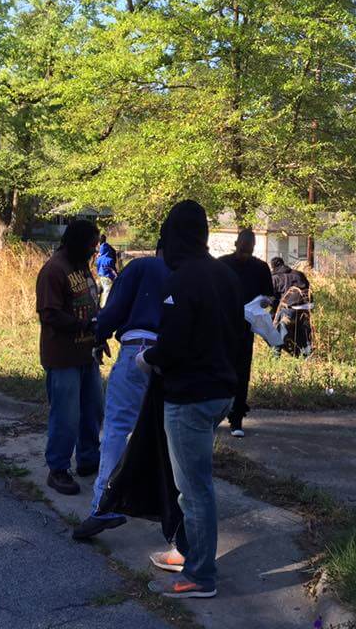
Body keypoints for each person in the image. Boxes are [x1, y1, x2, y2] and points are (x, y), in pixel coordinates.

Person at [137, 200, 246, 600]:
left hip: (190, 398)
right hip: (222, 392)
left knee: (194, 488)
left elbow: (173, 345)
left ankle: (201, 575)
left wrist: (146, 358)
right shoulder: (225, 274)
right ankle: (187, 552)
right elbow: (237, 335)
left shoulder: (181, 280)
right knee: (193, 482)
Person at [72, 242, 171, 540]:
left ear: (158, 248)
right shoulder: (189, 273)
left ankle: (103, 505)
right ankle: (172, 518)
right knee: (165, 436)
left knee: (117, 427)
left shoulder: (141, 267)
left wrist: (98, 335)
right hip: (171, 358)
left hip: (136, 349)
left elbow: (114, 310)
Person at [35, 220, 105, 496]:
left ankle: (88, 459)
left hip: (87, 354)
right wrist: (84, 327)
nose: (94, 249)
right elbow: (49, 314)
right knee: (66, 415)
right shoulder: (54, 270)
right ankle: (58, 469)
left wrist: (97, 335)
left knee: (93, 409)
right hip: (62, 357)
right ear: (76, 242)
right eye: (91, 243)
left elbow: (88, 303)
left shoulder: (80, 266)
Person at [218, 229, 274, 437]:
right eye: (242, 251)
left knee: (241, 373)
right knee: (221, 370)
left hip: (245, 327)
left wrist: (265, 303)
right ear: (236, 245)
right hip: (222, 326)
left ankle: (236, 417)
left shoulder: (260, 268)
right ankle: (218, 412)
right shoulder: (222, 265)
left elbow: (269, 295)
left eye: (248, 252)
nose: (244, 256)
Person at [270, 257, 312, 357]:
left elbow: (272, 299)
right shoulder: (299, 274)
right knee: (304, 334)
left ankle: (275, 357)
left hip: (288, 309)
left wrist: (273, 314)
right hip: (306, 308)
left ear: (273, 267)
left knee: (277, 331)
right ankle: (307, 357)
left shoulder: (274, 278)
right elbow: (308, 289)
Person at [95, 234, 118, 307]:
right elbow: (112, 269)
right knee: (107, 292)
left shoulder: (99, 259)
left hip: (100, 276)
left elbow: (97, 267)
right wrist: (116, 274)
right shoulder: (110, 260)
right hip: (108, 278)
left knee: (99, 292)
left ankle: (97, 305)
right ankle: (105, 306)